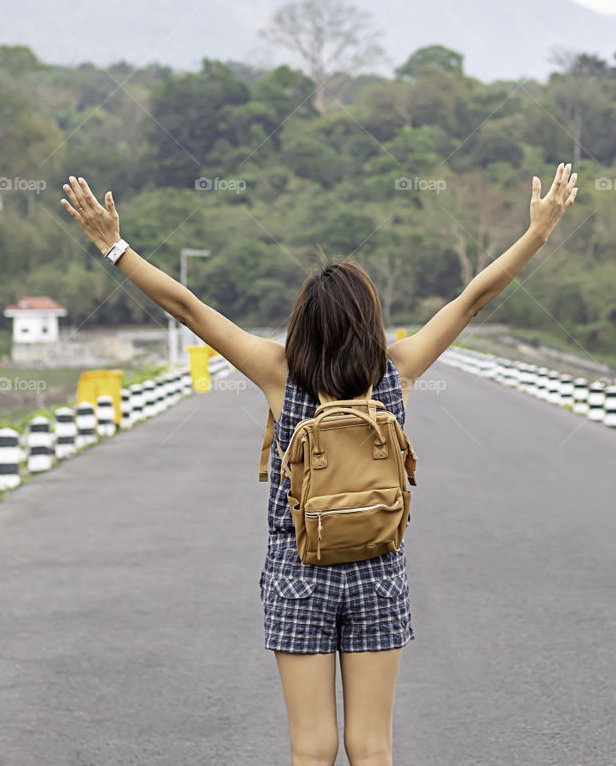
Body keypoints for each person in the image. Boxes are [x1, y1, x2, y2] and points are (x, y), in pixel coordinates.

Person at [61, 162, 578, 765]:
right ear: (370, 320)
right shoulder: (398, 372)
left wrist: (113, 244)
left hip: (297, 570)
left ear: (304, 323)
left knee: (312, 749)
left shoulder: (279, 374)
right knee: (372, 747)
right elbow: (471, 301)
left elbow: (188, 308)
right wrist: (538, 233)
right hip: (378, 569)